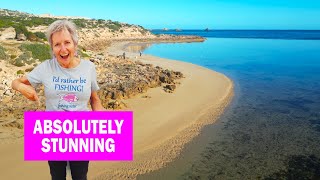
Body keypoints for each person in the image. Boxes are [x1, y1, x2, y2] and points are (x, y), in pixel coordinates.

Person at [11, 20, 105, 180]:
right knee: (57, 177)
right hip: (53, 133)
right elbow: (15, 82)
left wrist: (103, 125)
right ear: (52, 48)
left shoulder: (88, 68)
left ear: (75, 43)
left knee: (80, 177)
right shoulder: (46, 67)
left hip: (80, 134)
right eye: (57, 44)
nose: (63, 49)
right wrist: (22, 88)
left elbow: (94, 100)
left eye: (67, 42)